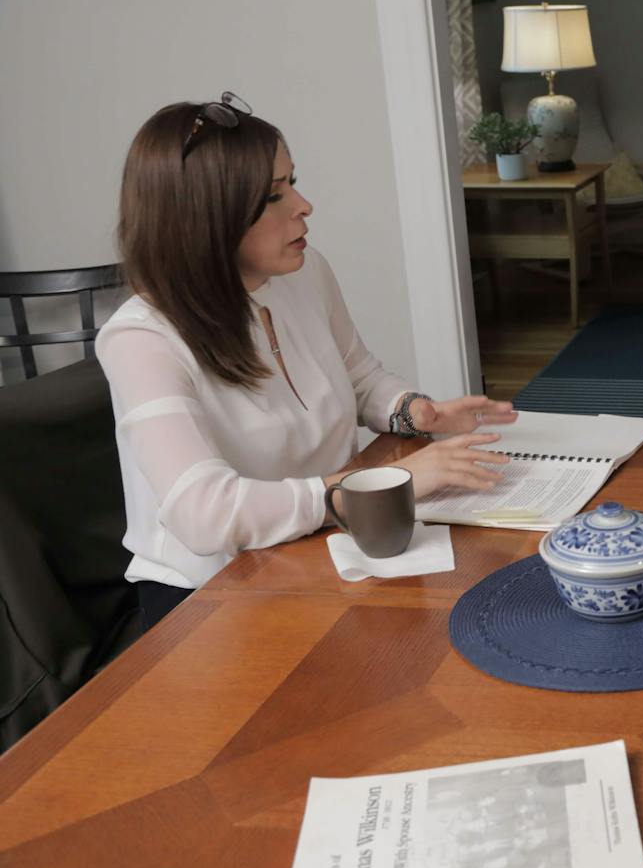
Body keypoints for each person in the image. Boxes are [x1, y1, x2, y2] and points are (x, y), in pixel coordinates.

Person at [98, 93, 516, 627]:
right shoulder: (142, 338)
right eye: (274, 196)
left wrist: (415, 411)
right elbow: (203, 514)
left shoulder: (304, 272)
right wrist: (375, 487)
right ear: (207, 217)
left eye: (293, 181)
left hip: (318, 548)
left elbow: (359, 376)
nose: (303, 205)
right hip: (209, 600)